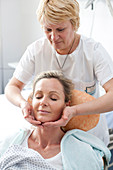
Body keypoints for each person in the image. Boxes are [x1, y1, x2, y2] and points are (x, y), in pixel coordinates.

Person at [5, 0, 113, 146]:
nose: (53, 37)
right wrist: (23, 104)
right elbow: (12, 87)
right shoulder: (36, 50)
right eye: (48, 30)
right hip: (50, 137)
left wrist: (74, 111)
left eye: (60, 30)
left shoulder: (93, 51)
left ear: (74, 24)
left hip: (87, 137)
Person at [0, 71, 111, 170]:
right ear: (31, 101)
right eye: (38, 97)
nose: (43, 102)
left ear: (66, 104)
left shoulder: (81, 153)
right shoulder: (10, 144)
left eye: (53, 98)